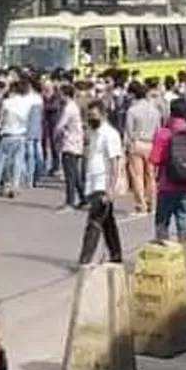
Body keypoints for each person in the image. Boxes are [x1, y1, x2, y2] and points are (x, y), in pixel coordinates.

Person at [150, 98, 186, 240]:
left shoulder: (163, 134)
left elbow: (155, 160)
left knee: (162, 224)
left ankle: (164, 256)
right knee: (185, 224)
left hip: (166, 186)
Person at [78, 102, 124, 266]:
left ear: (103, 115)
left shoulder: (110, 134)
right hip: (93, 182)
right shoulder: (94, 133)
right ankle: (116, 255)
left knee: (94, 221)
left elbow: (115, 162)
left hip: (103, 184)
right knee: (108, 222)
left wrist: (111, 188)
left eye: (94, 115)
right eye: (89, 116)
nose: (91, 119)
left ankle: (85, 259)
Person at [123, 82, 162, 216]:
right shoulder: (155, 110)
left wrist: (126, 146)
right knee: (150, 176)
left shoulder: (132, 110)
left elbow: (129, 130)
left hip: (137, 143)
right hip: (151, 143)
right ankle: (151, 203)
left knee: (137, 176)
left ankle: (141, 206)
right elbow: (158, 129)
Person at [0, 78, 32, 198]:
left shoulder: (7, 102)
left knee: (1, 162)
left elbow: (1, 118)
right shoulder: (26, 103)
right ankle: (15, 185)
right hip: (21, 135)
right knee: (17, 162)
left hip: (7, 134)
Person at [54, 83, 86, 213]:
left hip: (70, 144)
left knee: (70, 175)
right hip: (76, 143)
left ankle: (70, 203)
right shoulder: (74, 106)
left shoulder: (69, 108)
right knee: (75, 174)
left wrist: (55, 135)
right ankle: (83, 198)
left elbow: (60, 125)